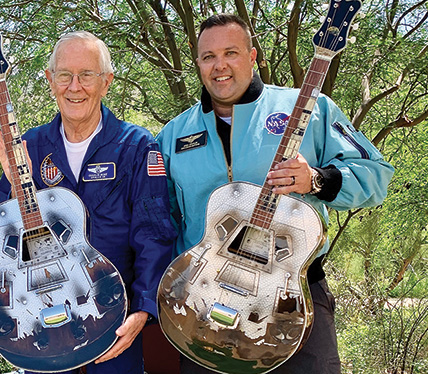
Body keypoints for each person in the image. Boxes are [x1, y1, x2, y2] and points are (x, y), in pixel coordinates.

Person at [156, 14, 394, 374]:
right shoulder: (174, 135)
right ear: (199, 63)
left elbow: (376, 176)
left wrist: (316, 179)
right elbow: (161, 220)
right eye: (208, 57)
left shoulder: (311, 108)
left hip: (291, 298)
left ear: (253, 57)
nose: (220, 66)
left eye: (231, 53)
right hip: (202, 304)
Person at [0, 31, 176, 374]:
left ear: (106, 82)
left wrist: (143, 308)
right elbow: (10, 240)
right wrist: (17, 191)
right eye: (64, 75)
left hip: (112, 319)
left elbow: (154, 234)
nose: (74, 86)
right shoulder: (29, 146)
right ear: (50, 80)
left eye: (87, 75)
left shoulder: (136, 146)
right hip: (42, 323)